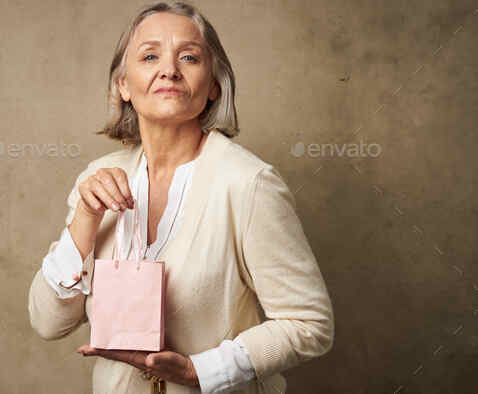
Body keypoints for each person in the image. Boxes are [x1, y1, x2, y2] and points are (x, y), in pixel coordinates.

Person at [27, 2, 334, 393]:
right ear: (123, 84)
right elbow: (47, 323)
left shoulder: (249, 184)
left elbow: (310, 324)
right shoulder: (95, 180)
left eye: (188, 57)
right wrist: (85, 220)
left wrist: (199, 371)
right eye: (150, 55)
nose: (168, 70)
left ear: (213, 86)